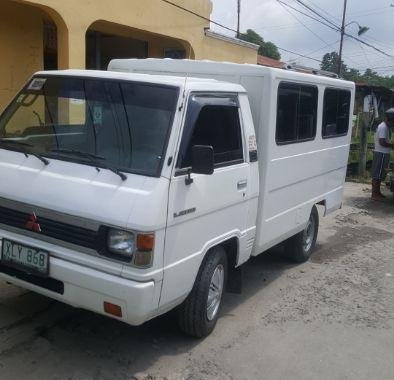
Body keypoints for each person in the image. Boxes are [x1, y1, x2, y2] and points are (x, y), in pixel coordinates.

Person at [371, 108, 394, 201]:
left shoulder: (386, 127)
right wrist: (392, 145)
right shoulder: (383, 127)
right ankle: (374, 194)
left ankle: (377, 192)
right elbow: (382, 142)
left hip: (384, 153)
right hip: (381, 153)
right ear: (391, 119)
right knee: (377, 174)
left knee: (380, 174)